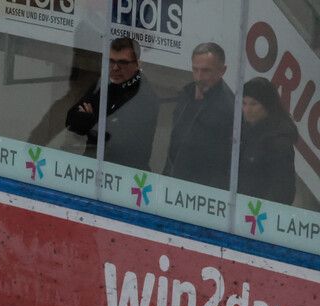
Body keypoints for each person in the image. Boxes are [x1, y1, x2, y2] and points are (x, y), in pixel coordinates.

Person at [64, 37, 158, 170]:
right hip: (93, 166)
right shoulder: (104, 83)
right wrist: (95, 124)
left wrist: (91, 120)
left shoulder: (143, 96)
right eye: (111, 61)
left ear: (138, 64)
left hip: (125, 173)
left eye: (123, 63)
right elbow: (70, 120)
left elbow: (117, 140)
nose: (115, 68)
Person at [163, 42, 236, 190]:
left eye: (206, 71)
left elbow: (224, 164)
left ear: (222, 71)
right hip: (172, 180)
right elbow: (176, 142)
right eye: (195, 69)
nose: (199, 77)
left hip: (201, 190)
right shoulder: (187, 94)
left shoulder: (228, 109)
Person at [238, 77, 298, 204]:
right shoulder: (242, 131)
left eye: (254, 104)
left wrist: (261, 212)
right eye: (244, 103)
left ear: (268, 106)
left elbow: (282, 190)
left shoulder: (279, 141)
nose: (247, 110)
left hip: (257, 212)